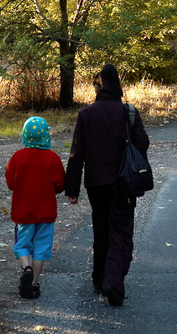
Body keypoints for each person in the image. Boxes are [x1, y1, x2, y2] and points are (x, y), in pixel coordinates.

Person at [64, 63, 150, 307]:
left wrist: (72, 189)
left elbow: (76, 154)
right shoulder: (128, 113)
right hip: (123, 183)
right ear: (118, 85)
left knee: (100, 228)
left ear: (98, 86)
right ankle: (113, 281)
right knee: (120, 230)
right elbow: (142, 144)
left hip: (95, 183)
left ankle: (99, 279)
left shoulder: (86, 114)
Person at [5, 116, 65, 299]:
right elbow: (60, 184)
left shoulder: (17, 157)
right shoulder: (52, 158)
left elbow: (10, 183)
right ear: (46, 135)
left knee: (22, 244)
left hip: (23, 213)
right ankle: (33, 284)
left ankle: (26, 267)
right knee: (41, 248)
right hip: (46, 213)